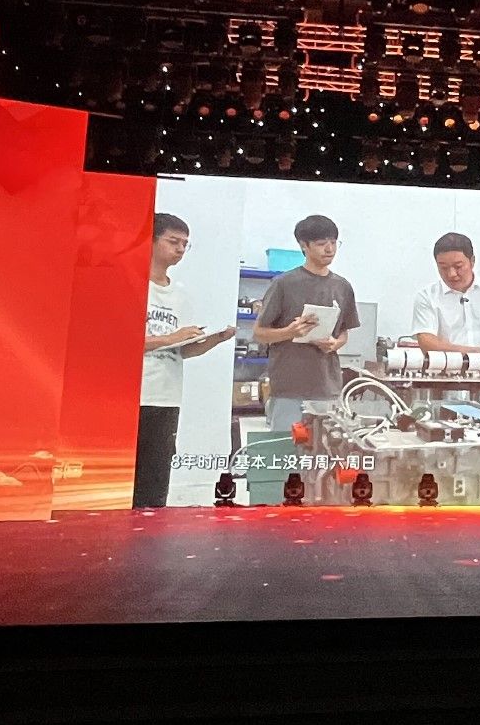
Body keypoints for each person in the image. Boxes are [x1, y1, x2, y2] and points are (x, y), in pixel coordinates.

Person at [138, 213, 235, 508]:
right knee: (125, 475)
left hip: (166, 397)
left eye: (185, 244)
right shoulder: (133, 285)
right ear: (152, 240)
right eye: (173, 241)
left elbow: (183, 350)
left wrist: (214, 340)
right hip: (132, 395)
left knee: (156, 479)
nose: (180, 249)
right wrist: (170, 338)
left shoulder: (179, 295)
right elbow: (118, 344)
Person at [253, 214, 361, 433]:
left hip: (326, 386)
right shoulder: (284, 284)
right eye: (321, 244)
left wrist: (335, 344)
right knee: (286, 447)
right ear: (304, 245)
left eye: (334, 243)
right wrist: (289, 331)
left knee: (326, 446)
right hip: (289, 387)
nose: (329, 249)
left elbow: (344, 332)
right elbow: (259, 333)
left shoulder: (342, 287)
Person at [410, 232, 480, 355]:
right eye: (444, 268)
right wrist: (467, 353)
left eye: (458, 266)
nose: (451, 274)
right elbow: (426, 341)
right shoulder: (427, 296)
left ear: (472, 261)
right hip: (446, 365)